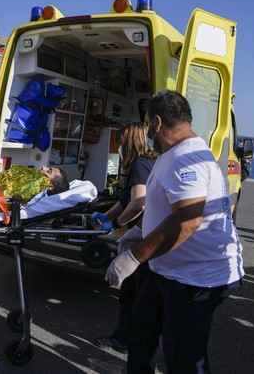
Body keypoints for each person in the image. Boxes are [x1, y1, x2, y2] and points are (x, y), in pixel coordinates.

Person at [106, 90, 244, 373]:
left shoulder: (185, 159)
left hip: (194, 278)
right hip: (167, 269)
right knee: (142, 331)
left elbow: (187, 220)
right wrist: (141, 231)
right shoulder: (173, 153)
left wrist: (134, 257)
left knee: (182, 354)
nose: (146, 131)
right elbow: (166, 206)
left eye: (147, 125)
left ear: (156, 124)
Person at [91, 122, 156, 353]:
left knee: (131, 293)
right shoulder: (145, 163)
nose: (118, 147)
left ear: (128, 143)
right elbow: (125, 199)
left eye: (120, 142)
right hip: (145, 235)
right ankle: (131, 339)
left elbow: (139, 201)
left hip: (142, 237)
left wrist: (116, 224)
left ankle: (125, 340)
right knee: (135, 292)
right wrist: (104, 217)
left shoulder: (139, 165)